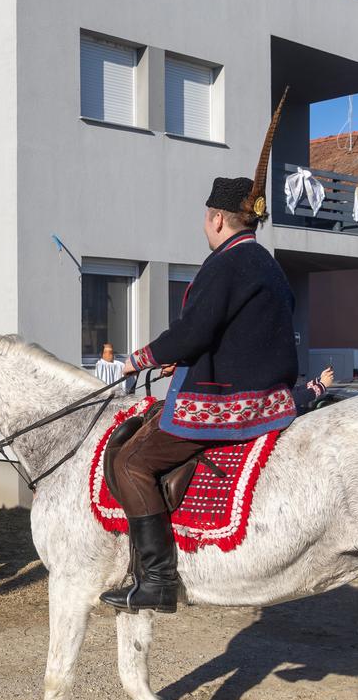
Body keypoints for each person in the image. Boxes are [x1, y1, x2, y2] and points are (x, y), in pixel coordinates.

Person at [104, 94, 297, 614]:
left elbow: (194, 330)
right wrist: (180, 357)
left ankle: (156, 582)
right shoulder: (267, 265)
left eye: (205, 219)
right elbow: (230, 336)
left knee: (130, 462)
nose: (204, 227)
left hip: (223, 404)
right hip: (272, 397)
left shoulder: (225, 264)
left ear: (217, 219)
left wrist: (139, 359)